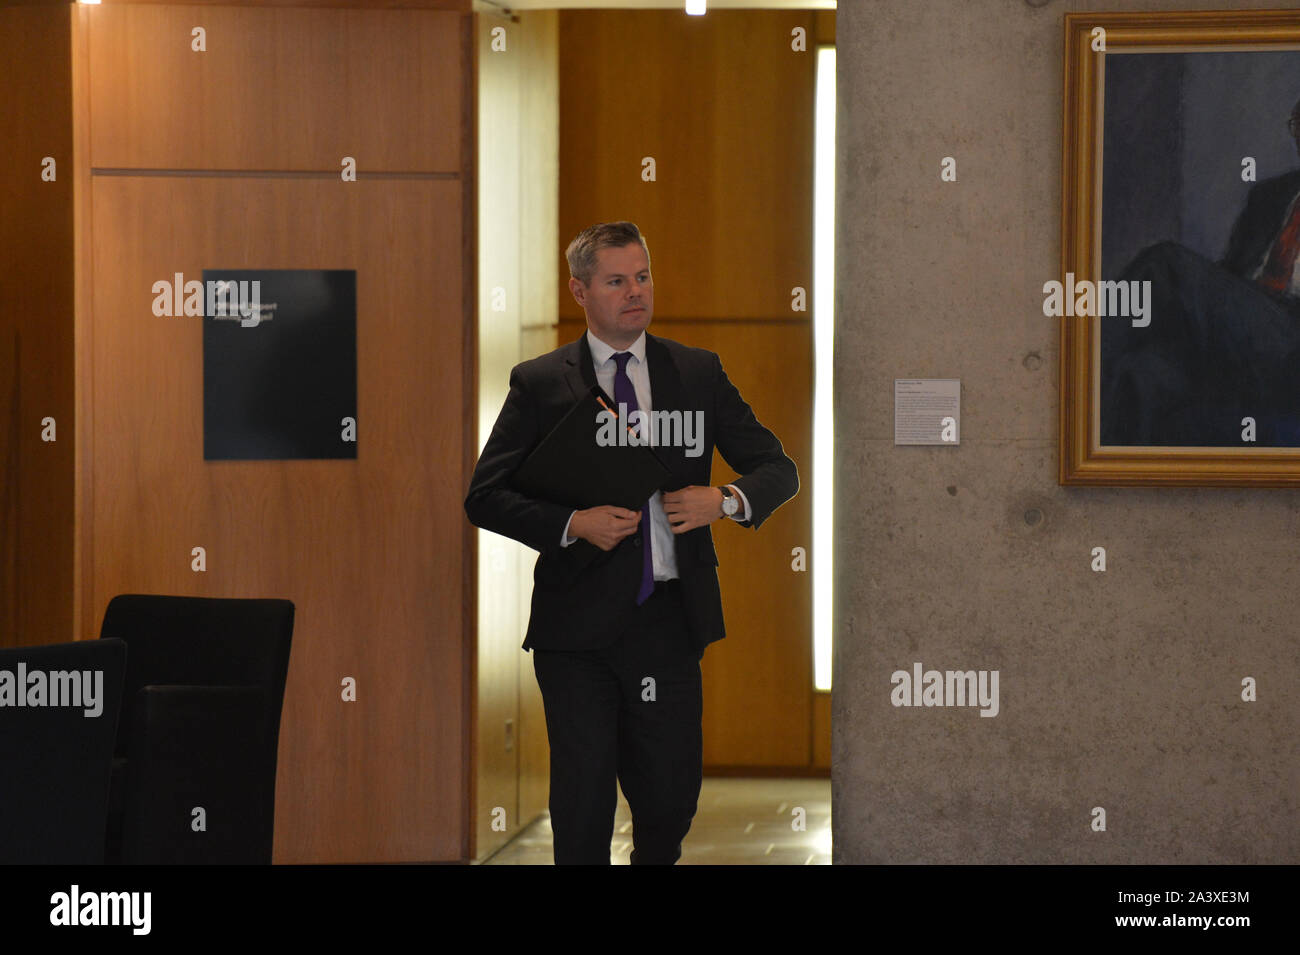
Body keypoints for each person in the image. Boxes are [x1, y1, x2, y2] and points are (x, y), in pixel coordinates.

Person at [464, 221, 799, 864]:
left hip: (668, 623)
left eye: (643, 276)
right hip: (577, 633)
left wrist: (723, 501)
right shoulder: (540, 382)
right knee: (583, 805)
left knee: (669, 800)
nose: (635, 291)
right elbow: (485, 496)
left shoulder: (696, 374)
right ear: (581, 291)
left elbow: (778, 470)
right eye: (617, 280)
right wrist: (572, 525)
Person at [1101, 97, 1300, 446]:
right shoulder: (1270, 195)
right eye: (1298, 127)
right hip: (1245, 326)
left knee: (1165, 263)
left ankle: (1082, 355)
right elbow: (1226, 284)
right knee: (1144, 370)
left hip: (1291, 344)